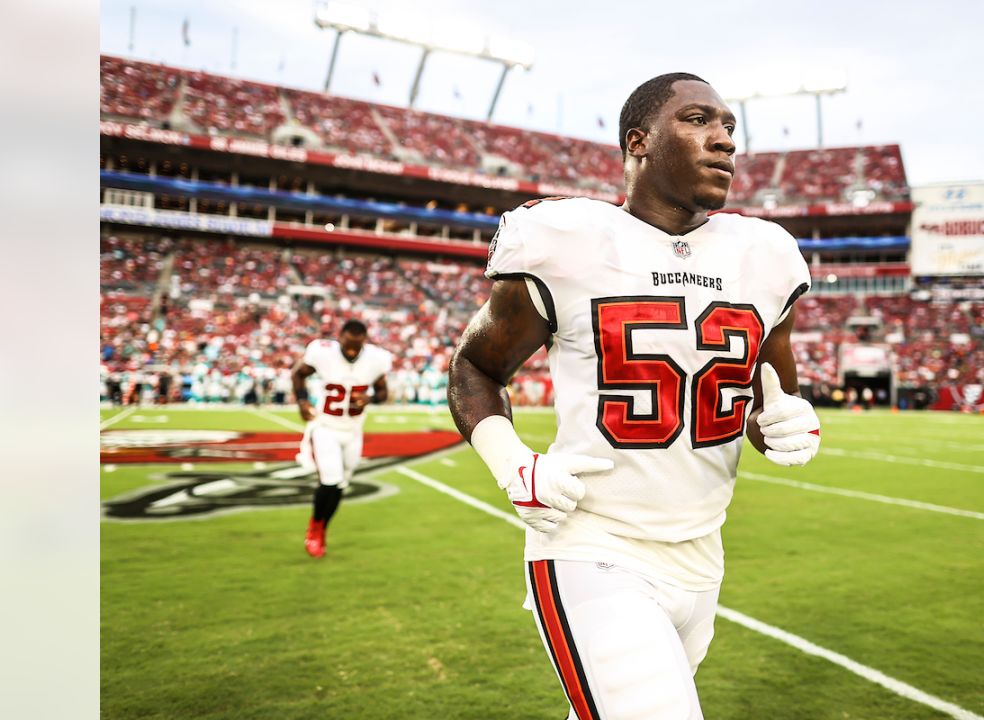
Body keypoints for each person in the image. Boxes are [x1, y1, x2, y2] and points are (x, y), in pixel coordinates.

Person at [448, 73, 821, 720]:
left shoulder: (765, 255)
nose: (725, 140)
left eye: (730, 126)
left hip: (704, 552)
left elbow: (764, 396)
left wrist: (783, 417)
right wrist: (514, 466)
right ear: (638, 141)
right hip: (592, 545)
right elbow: (474, 368)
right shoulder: (570, 240)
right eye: (699, 120)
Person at [292, 319, 391, 558]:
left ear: (364, 341)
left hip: (353, 431)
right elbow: (298, 374)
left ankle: (322, 526)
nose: (351, 350)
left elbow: (383, 392)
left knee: (340, 485)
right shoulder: (322, 352)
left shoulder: (376, 359)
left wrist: (370, 400)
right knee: (330, 480)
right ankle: (315, 528)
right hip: (325, 426)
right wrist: (303, 401)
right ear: (340, 337)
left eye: (357, 346)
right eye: (348, 344)